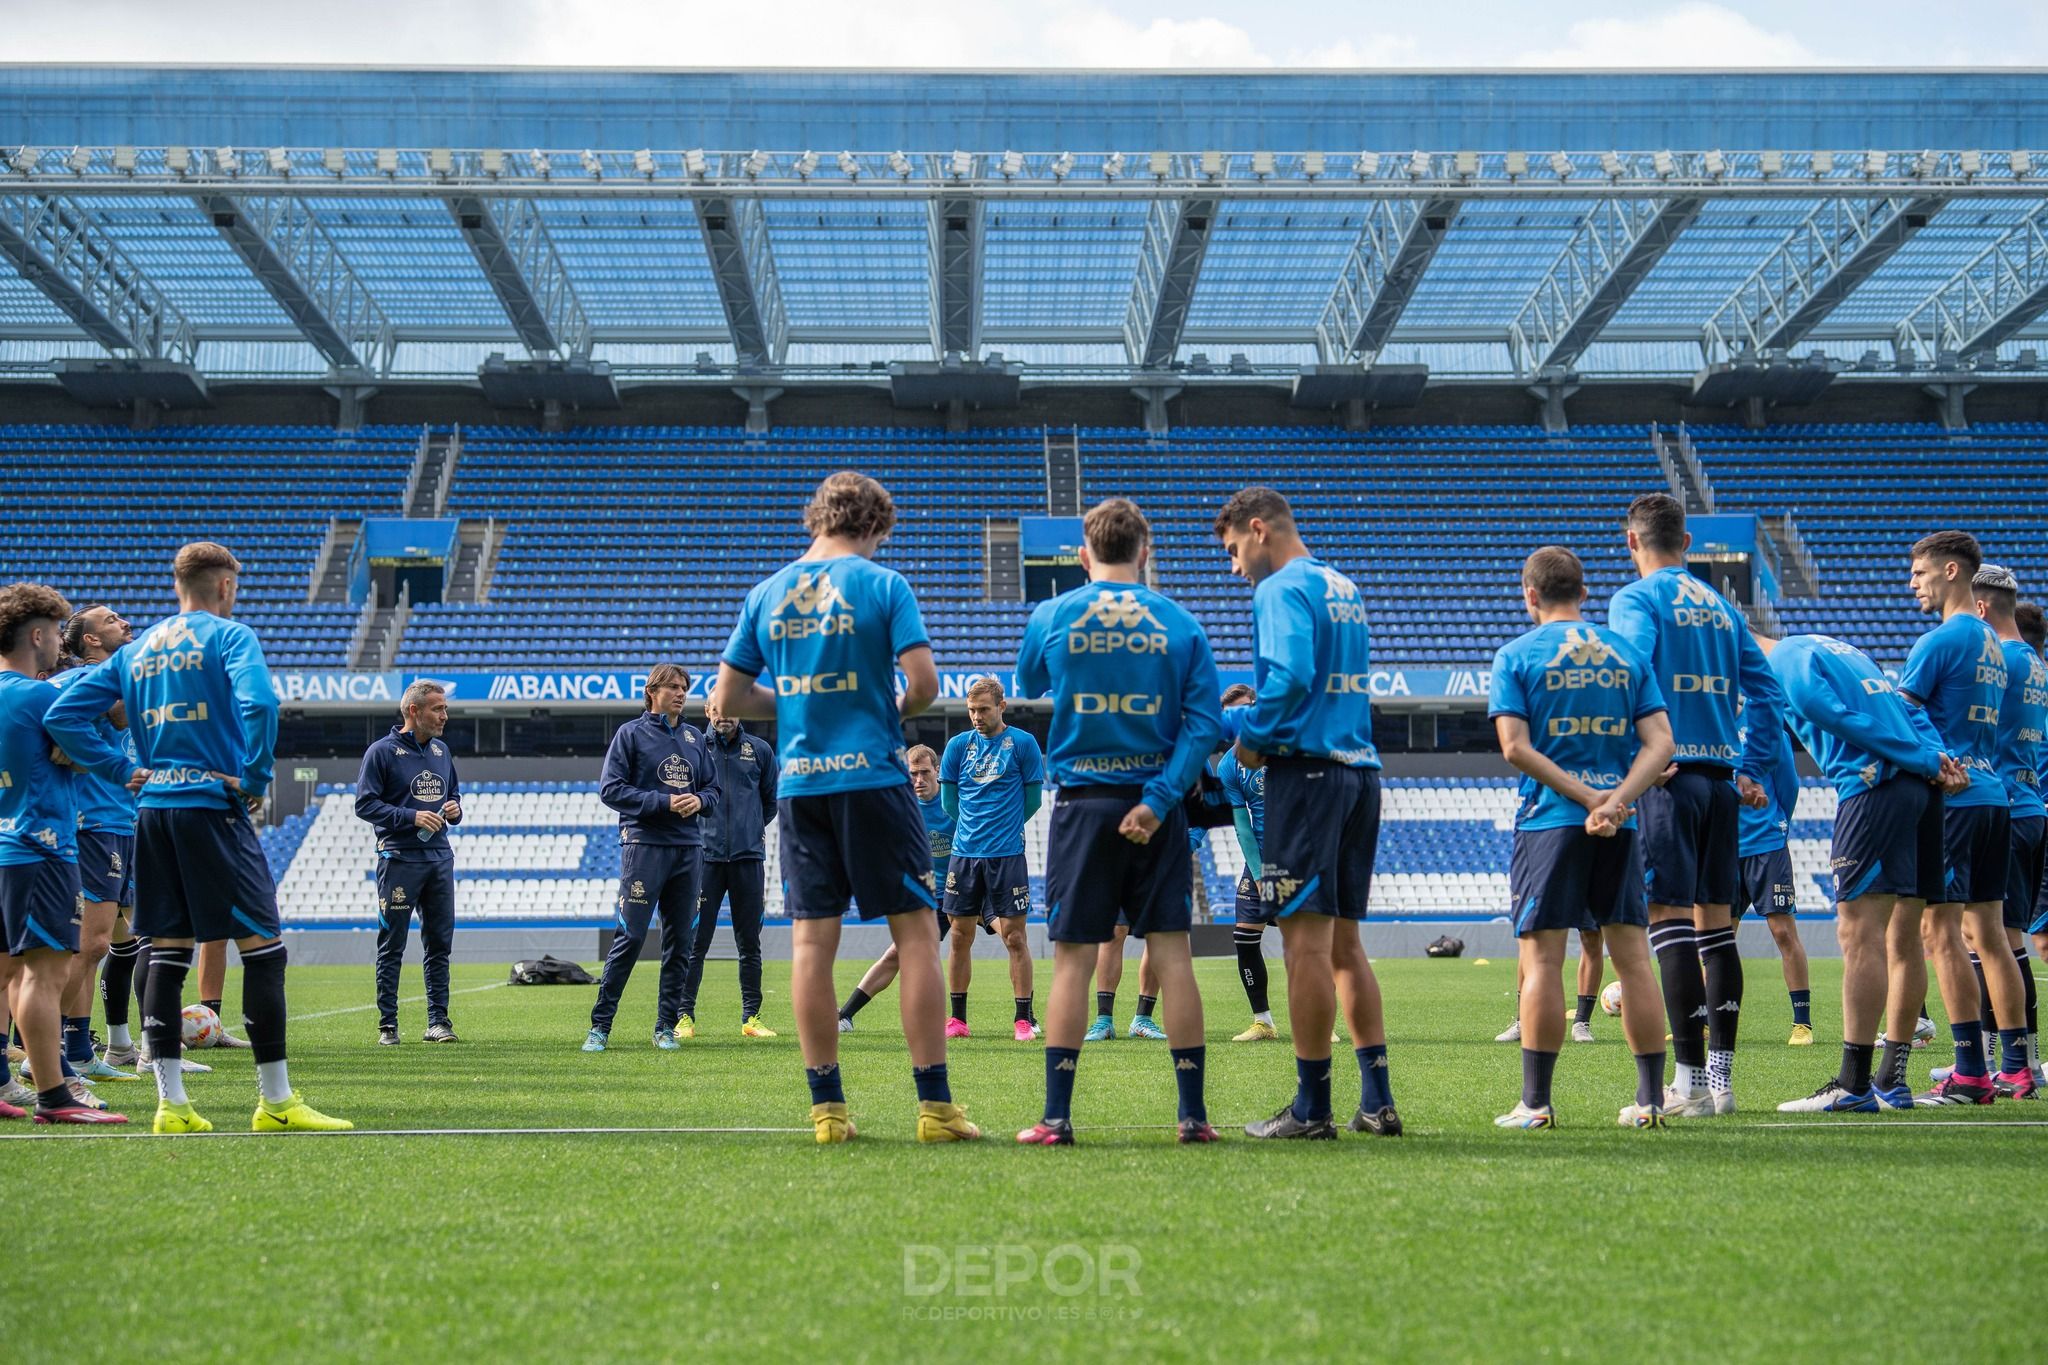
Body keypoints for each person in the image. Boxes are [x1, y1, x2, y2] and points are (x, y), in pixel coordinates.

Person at [712, 471, 978, 1144]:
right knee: (917, 935)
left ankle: (828, 1112)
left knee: (811, 945)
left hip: (802, 784)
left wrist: (801, 706)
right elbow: (922, 687)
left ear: (816, 520)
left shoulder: (765, 593)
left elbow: (730, 701)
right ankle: (936, 1109)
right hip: (873, 778)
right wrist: (877, 707)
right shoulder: (883, 584)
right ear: (874, 527)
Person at [46, 542, 349, 1134]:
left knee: (168, 950)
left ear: (177, 584)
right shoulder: (229, 636)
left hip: (151, 811)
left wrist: (115, 768)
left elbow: (62, 717)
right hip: (211, 804)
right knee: (263, 947)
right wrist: (255, 778)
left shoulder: (136, 651)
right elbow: (260, 701)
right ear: (226, 586)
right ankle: (277, 1103)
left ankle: (172, 1106)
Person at [1013, 497, 1222, 1145]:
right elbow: (1207, 724)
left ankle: (1057, 1118)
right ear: (1146, 550)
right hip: (1155, 808)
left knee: (1072, 960)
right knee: (1174, 956)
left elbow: (1028, 679)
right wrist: (1159, 800)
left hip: (1081, 804)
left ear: (1083, 554)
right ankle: (1192, 1116)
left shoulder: (1054, 612)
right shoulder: (1180, 621)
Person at [1216, 486, 1400, 1140]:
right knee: (1347, 946)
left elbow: (1290, 676)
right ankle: (1377, 1100)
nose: (1236, 567)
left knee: (1303, 947)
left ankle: (1311, 1106)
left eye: (1235, 550)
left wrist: (1249, 741)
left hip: (1309, 774)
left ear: (1258, 529)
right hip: (1360, 772)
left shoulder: (1280, 588)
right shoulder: (1341, 583)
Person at [1605, 492, 1784, 1117]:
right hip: (1720, 783)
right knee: (1717, 928)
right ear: (1687, 544)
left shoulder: (1635, 599)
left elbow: (1627, 672)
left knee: (1669, 919)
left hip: (1669, 779)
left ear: (1633, 543)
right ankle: (1721, 1082)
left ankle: (1686, 1085)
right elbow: (1768, 693)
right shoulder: (1723, 608)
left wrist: (1642, 753)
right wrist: (1752, 768)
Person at [1487, 547, 1676, 1129]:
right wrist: (1614, 800)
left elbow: (1515, 748)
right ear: (1585, 592)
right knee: (1635, 960)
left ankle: (1537, 1104)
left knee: (1543, 960)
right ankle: (1649, 1103)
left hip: (1550, 823)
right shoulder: (1624, 652)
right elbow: (1661, 743)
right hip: (1619, 826)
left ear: (1529, 594)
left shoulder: (1516, 655)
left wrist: (1586, 798)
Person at [1763, 632, 1959, 1112]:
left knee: (1859, 933)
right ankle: (1892, 1081)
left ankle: (1852, 1086)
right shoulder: (1839, 649)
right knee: (1905, 936)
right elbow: (1909, 709)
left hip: (1876, 787)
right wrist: (1938, 759)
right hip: (1919, 790)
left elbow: (1823, 712)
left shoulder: (1785, 659)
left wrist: (1920, 757)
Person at [1898, 531, 2025, 1104]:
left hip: (1956, 801)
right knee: (1992, 936)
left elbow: (1902, 716)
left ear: (1952, 571)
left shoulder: (1940, 640)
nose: (1913, 583)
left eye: (1920, 572)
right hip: (1995, 794)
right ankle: (2017, 1066)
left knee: (1940, 932)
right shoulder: (1993, 645)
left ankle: (1970, 1071)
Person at [0, 583, 128, 1124]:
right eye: (55, 633)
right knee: (44, 974)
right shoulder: (44, 698)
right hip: (40, 843)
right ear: (37, 634)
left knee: (6, 969)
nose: (59, 645)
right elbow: (86, 741)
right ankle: (55, 1094)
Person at [1933, 567, 2046, 1096]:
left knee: (1992, 938)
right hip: (2023, 802)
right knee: (1995, 938)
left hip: (2001, 801)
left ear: (1979, 608)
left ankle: (2015, 1061)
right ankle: (2012, 1060)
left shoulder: (2003, 659)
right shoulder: (2034, 661)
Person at [586, 664, 720, 1052]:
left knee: (681, 942)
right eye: (673, 687)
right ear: (652, 691)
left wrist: (700, 800)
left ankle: (665, 1026)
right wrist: (664, 802)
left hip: (689, 849)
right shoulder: (630, 734)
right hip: (644, 846)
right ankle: (600, 1026)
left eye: (684, 688)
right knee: (631, 936)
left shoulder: (696, 738)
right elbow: (610, 789)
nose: (681, 693)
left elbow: (713, 789)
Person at [49, 606, 145, 1082]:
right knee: (90, 945)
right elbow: (49, 712)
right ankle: (43, 1051)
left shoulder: (116, 679)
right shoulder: (78, 682)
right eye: (111, 620)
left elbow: (125, 717)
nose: (125, 623)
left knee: (98, 948)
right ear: (89, 640)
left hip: (121, 822)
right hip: (93, 823)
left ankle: (81, 1050)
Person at [354, 679, 464, 1045]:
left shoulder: (442, 752)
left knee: (439, 944)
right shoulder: (381, 753)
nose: (444, 715)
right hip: (399, 860)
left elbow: (454, 796)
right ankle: (388, 1025)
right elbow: (365, 805)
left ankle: (439, 1023)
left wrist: (455, 808)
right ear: (413, 711)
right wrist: (411, 817)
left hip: (439, 859)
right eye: (438, 708)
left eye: (445, 708)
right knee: (393, 944)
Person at [939, 677, 1045, 1042]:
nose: (977, 716)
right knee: (958, 936)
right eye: (971, 710)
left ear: (1002, 706)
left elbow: (1033, 801)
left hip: (1007, 856)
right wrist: (974, 832)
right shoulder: (957, 747)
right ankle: (957, 1020)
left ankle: (1022, 1020)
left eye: (983, 709)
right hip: (964, 856)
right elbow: (949, 804)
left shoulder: (1023, 744)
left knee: (1015, 938)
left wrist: (1004, 827)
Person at [681, 696, 778, 1039]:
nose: (724, 715)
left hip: (748, 859)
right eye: (717, 709)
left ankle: (751, 1018)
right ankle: (683, 1017)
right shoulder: (692, 747)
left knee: (749, 943)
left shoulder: (761, 750)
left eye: (730, 708)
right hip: (704, 860)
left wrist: (748, 830)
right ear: (708, 712)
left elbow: (769, 803)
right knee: (695, 943)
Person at [837, 743, 950, 1031]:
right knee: (895, 954)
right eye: (913, 774)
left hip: (971, 885)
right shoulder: (901, 808)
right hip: (932, 897)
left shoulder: (955, 803)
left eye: (925, 773)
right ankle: (845, 1015)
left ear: (938, 771)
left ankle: (1025, 1017)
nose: (919, 780)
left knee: (1011, 935)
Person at [1736, 718, 1813, 1046]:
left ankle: (1802, 1024)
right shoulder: (1710, 724)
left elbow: (1788, 785)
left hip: (1767, 843)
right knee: (1717, 939)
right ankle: (1710, 1019)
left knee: (1783, 931)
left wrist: (1778, 825)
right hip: (1723, 847)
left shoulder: (1767, 728)